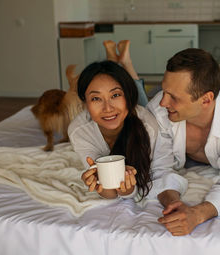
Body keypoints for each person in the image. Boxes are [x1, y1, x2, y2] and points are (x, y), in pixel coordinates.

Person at [146, 48, 220, 236]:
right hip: (182, 152)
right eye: (165, 91)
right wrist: (174, 206)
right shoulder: (158, 110)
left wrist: (197, 215)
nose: (164, 102)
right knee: (136, 108)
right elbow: (160, 170)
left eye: (174, 98)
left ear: (206, 99)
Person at [69, 40, 187, 200]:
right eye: (96, 98)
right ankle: (118, 60)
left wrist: (127, 190)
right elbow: (109, 192)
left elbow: (151, 178)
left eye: (115, 95)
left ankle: (121, 61)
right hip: (130, 112)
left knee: (142, 101)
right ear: (85, 103)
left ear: (127, 97)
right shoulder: (80, 130)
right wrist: (98, 184)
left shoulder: (148, 125)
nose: (107, 108)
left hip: (138, 114)